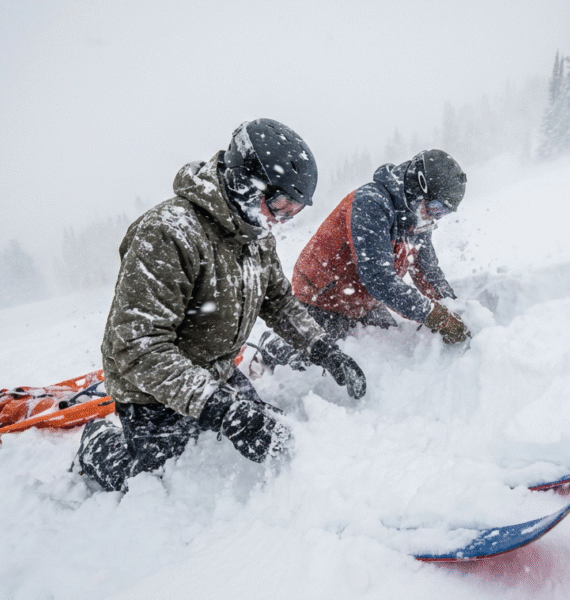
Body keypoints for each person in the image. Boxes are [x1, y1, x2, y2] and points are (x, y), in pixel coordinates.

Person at [75, 119, 366, 492]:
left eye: (292, 212)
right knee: (154, 485)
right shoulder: (168, 233)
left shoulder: (255, 236)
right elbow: (137, 347)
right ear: (245, 181)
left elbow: (277, 302)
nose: (279, 221)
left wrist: (323, 349)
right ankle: (97, 441)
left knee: (277, 438)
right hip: (152, 390)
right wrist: (224, 411)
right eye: (278, 205)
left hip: (217, 372)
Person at [256, 149, 470, 371]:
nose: (436, 216)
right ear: (418, 188)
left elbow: (427, 271)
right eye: (436, 207)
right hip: (323, 296)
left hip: (362, 301)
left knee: (388, 348)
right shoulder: (371, 203)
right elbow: (379, 279)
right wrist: (435, 315)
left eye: (443, 212)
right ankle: (271, 348)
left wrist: (451, 306)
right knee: (310, 364)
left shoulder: (417, 219)